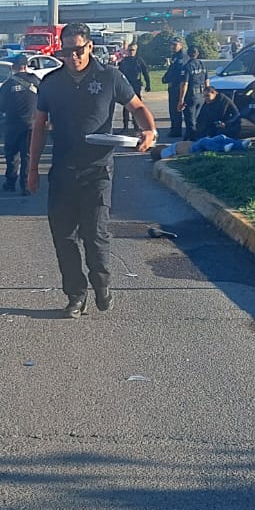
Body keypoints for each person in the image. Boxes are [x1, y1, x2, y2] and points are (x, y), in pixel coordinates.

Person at [26, 22, 158, 318]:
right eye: (67, 51)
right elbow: (38, 127)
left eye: (78, 50)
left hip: (97, 170)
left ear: (90, 48)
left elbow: (136, 106)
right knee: (64, 236)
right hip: (62, 170)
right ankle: (75, 295)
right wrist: (31, 169)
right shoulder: (51, 82)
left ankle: (102, 285)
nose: (73, 56)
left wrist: (149, 130)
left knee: (95, 234)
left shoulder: (110, 76)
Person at [0, 54, 40, 194]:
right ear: (26, 66)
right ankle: (26, 186)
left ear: (14, 67)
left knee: (12, 155)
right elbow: (45, 100)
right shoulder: (36, 82)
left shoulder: (8, 84)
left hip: (13, 124)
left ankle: (10, 183)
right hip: (31, 125)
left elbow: (0, 105)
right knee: (27, 155)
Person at [115, 43, 150, 132]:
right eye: (129, 50)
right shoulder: (124, 61)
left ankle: (136, 126)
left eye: (133, 50)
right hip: (126, 85)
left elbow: (145, 72)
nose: (131, 52)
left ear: (136, 50)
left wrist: (148, 84)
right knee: (126, 106)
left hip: (136, 85)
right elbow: (118, 75)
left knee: (137, 107)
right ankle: (125, 126)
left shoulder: (139, 60)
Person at [160, 39, 188, 139]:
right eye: (171, 45)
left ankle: (177, 130)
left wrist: (169, 78)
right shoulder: (175, 56)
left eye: (175, 45)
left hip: (178, 87)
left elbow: (179, 73)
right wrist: (165, 78)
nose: (173, 46)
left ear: (181, 45)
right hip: (172, 87)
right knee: (173, 110)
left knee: (177, 109)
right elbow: (171, 70)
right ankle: (174, 128)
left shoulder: (182, 57)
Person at [181, 45, 207, 139]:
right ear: (198, 54)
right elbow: (207, 81)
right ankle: (188, 138)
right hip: (202, 95)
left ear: (188, 54)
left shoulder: (187, 66)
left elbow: (185, 84)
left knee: (190, 121)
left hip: (191, 95)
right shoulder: (202, 64)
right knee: (197, 118)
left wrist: (181, 99)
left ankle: (193, 140)